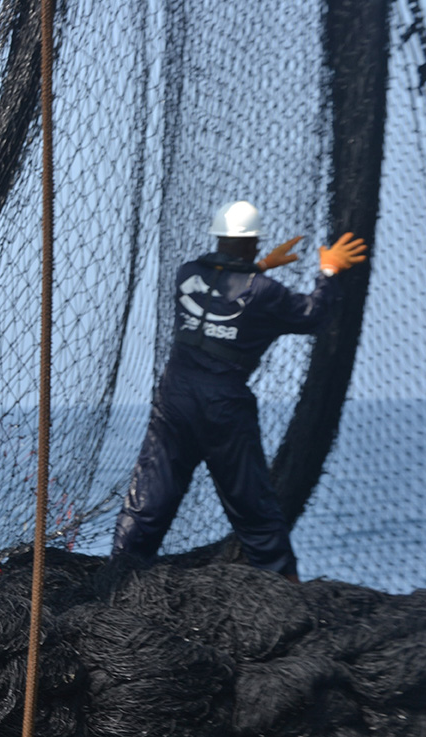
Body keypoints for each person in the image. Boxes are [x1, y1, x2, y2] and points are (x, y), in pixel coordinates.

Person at [110, 200, 368, 583]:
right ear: (252, 244)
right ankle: (282, 591)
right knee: (254, 510)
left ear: (218, 237)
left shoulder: (186, 274)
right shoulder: (267, 293)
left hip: (174, 400)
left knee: (149, 502)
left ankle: (117, 579)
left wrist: (258, 268)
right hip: (222, 409)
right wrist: (329, 272)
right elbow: (313, 314)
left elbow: (223, 294)